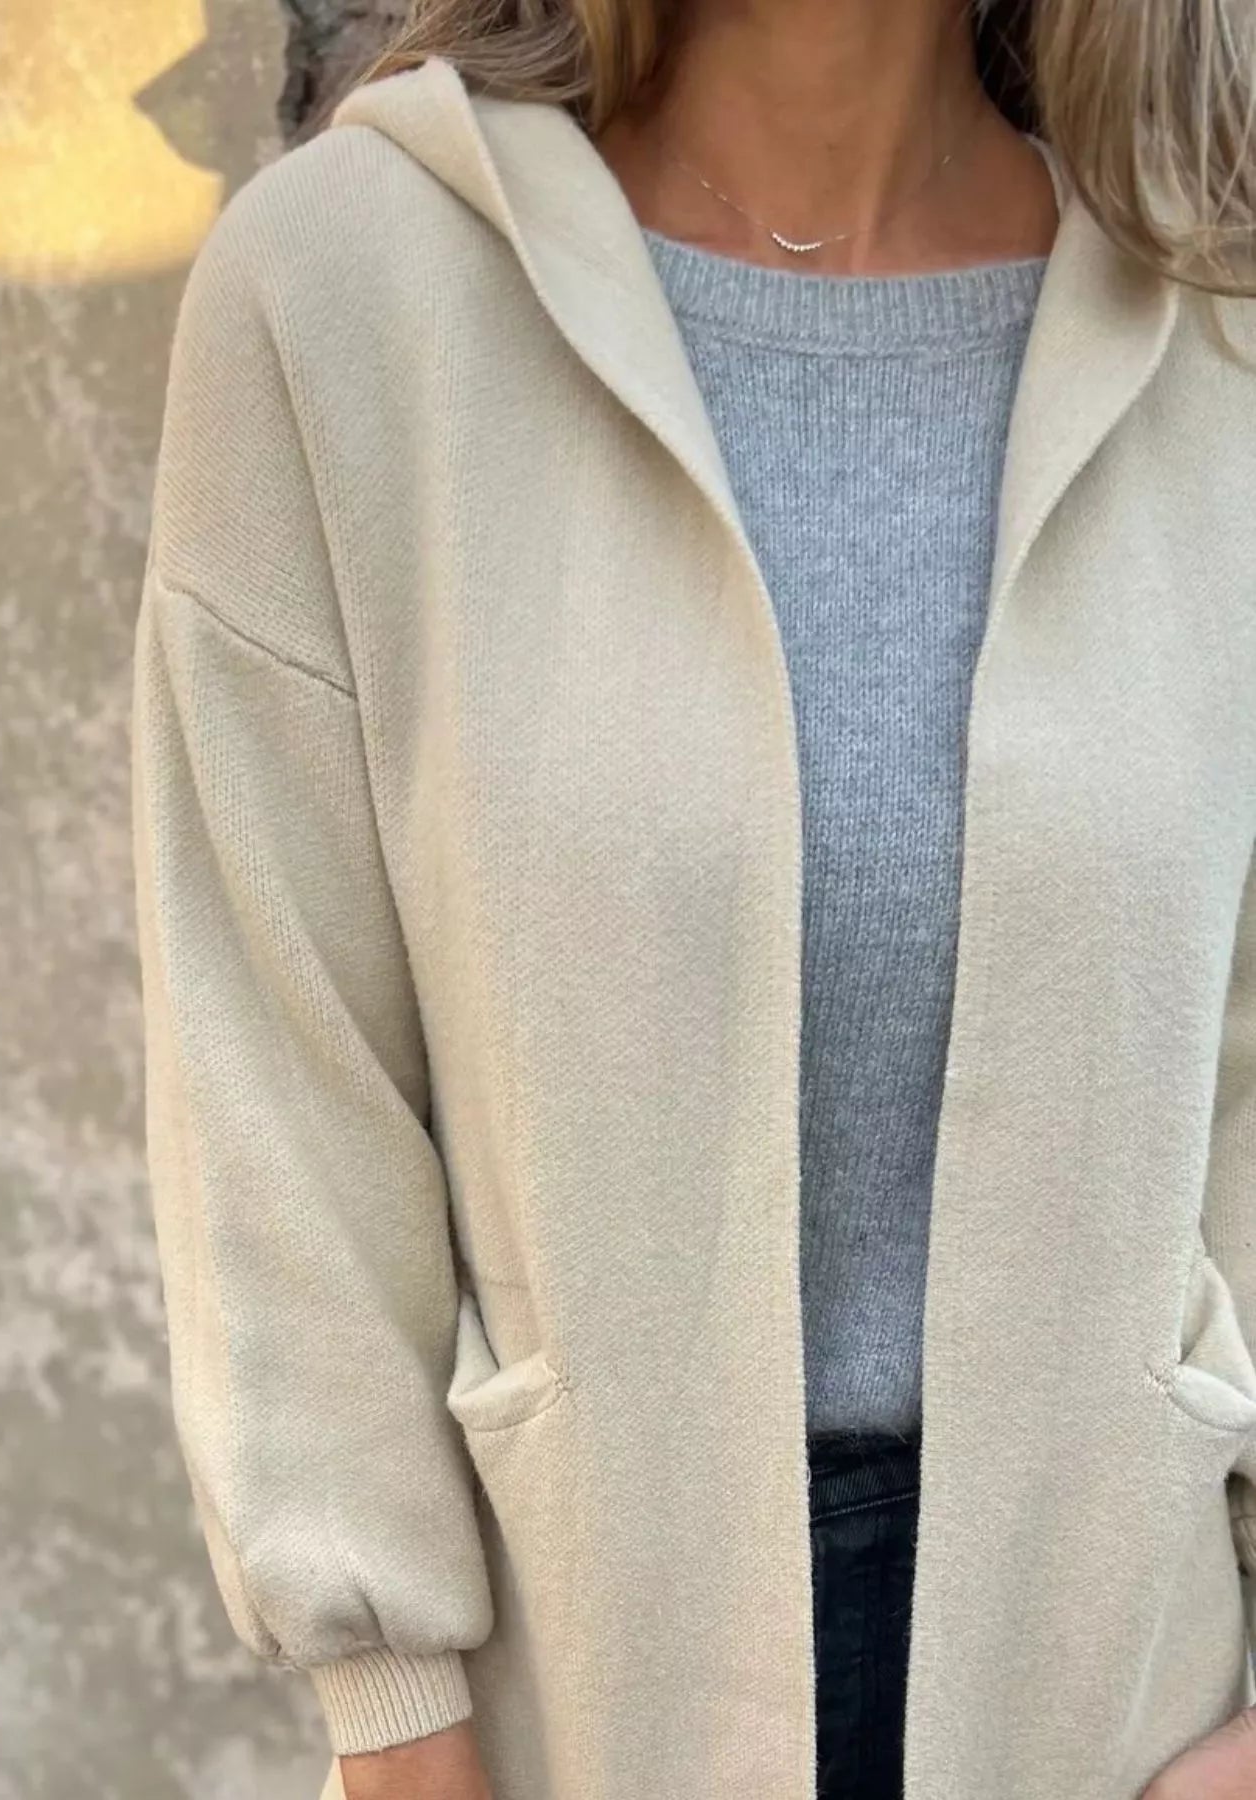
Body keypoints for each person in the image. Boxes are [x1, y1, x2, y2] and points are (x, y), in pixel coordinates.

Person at [129, 1, 1256, 1796]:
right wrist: (397, 1719)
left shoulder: (1216, 330)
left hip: (1123, 1708)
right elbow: (278, 1068)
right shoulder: (347, 289)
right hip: (577, 1698)